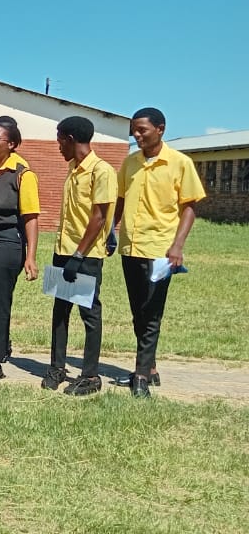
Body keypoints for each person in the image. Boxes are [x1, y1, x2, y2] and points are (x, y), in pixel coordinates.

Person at [112, 107, 205, 397]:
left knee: (152, 312)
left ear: (160, 129)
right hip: (131, 246)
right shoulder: (130, 164)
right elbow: (120, 200)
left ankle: (140, 376)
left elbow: (189, 207)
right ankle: (150, 368)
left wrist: (177, 246)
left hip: (160, 251)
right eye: (134, 130)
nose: (136, 135)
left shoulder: (180, 163)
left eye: (143, 130)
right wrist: (110, 232)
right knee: (138, 313)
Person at [44, 116, 117, 396]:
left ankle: (90, 376)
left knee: (89, 314)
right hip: (63, 251)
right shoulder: (73, 168)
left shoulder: (101, 170)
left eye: (60, 139)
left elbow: (99, 217)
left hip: (84, 256)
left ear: (71, 139)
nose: (58, 146)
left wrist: (78, 254)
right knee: (60, 311)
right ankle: (56, 367)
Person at [0, 118, 40, 385]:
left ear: (12, 145)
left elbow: (31, 217)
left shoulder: (22, 174)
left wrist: (31, 256)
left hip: (5, 242)